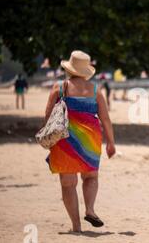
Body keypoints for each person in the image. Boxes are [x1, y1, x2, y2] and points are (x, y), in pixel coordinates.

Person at [44, 50, 116, 233]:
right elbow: (105, 119)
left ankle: (76, 226)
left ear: (69, 67)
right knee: (90, 177)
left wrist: (49, 138)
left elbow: (48, 116)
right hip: (90, 139)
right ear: (86, 70)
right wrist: (111, 143)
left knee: (68, 184)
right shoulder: (95, 90)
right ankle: (90, 209)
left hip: (64, 139)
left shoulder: (59, 88)